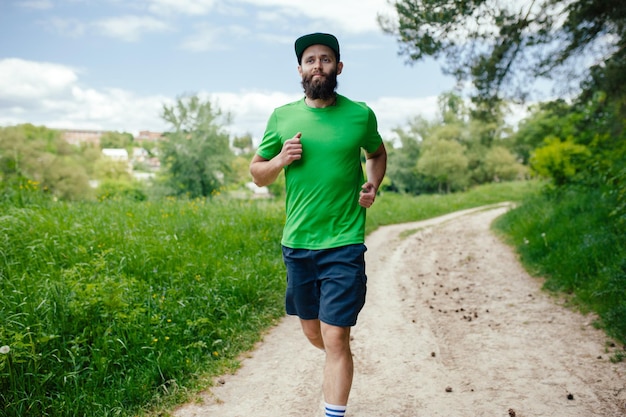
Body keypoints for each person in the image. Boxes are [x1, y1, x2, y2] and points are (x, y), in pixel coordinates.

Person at [249, 32, 387, 417]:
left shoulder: (360, 114)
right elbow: (258, 175)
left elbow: (377, 153)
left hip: (344, 240)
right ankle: (339, 361)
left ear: (338, 67)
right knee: (314, 332)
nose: (318, 66)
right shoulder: (282, 116)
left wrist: (372, 183)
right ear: (299, 70)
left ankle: (335, 399)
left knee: (336, 337)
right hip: (298, 242)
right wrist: (280, 160)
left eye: (325, 59)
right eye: (310, 60)